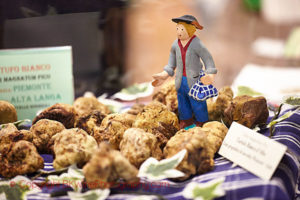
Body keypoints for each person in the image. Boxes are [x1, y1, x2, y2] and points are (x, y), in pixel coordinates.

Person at [152, 14, 217, 129]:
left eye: (182, 29)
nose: (179, 32)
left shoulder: (197, 44)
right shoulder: (175, 45)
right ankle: (186, 121)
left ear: (190, 30)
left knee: (197, 102)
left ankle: (201, 122)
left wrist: (210, 74)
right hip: (180, 80)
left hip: (194, 81)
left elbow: (208, 59)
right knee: (183, 103)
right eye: (177, 28)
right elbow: (171, 64)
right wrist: (164, 75)